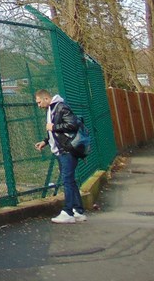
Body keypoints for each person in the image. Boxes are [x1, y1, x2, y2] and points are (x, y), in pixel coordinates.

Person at [34, 89, 87, 224]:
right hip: (61, 150)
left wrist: (54, 126)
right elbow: (54, 132)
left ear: (46, 98)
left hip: (67, 151)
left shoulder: (61, 107)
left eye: (39, 102)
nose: (38, 105)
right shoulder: (51, 109)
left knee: (67, 180)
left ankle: (68, 212)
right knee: (70, 180)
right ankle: (78, 211)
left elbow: (72, 125)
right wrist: (45, 142)